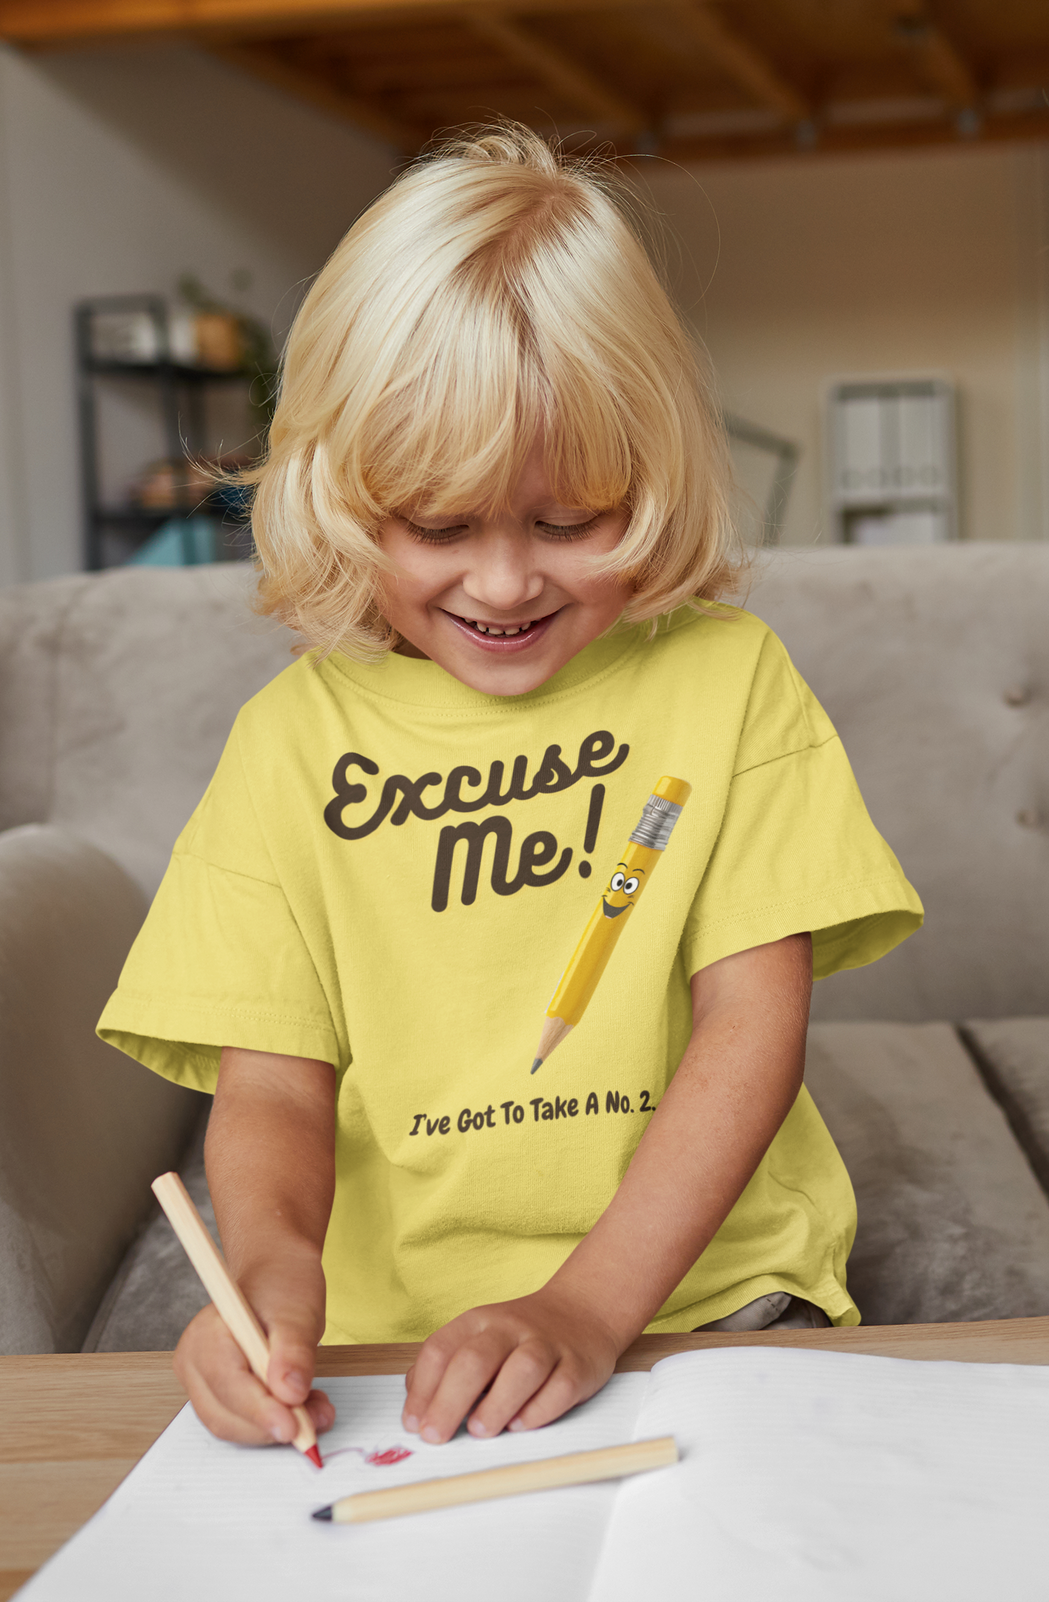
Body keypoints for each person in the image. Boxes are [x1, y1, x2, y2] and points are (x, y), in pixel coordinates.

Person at [98, 124, 922, 1453]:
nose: (501, 584)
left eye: (567, 520)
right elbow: (271, 1092)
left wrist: (590, 1305)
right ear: (340, 493)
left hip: (710, 1304)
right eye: (438, 525)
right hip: (391, 1350)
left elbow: (747, 1032)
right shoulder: (287, 744)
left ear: (651, 480)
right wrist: (267, 1279)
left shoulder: (730, 681)